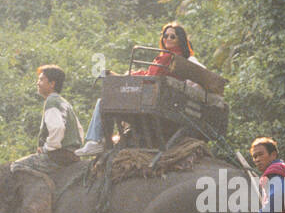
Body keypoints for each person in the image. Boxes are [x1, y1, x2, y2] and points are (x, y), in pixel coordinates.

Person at [76, 22, 204, 156]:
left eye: (173, 37)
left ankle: (96, 141)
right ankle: (100, 140)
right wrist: (127, 75)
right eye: (165, 36)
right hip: (156, 96)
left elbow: (152, 77)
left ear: (180, 40)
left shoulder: (169, 57)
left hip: (150, 98)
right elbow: (150, 74)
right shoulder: (174, 57)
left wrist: (126, 78)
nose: (168, 39)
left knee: (104, 101)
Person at [29, 64, 85, 166]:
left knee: (16, 166)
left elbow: (57, 128)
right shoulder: (64, 102)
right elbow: (80, 130)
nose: (38, 83)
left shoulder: (52, 101)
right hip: (74, 154)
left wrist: (47, 148)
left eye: (41, 80)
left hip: (59, 155)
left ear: (52, 84)